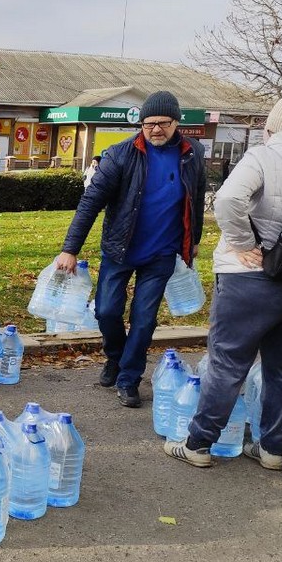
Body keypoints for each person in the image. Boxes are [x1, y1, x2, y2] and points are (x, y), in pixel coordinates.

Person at [165, 91, 282, 470]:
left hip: (248, 279)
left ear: (273, 127)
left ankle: (199, 444)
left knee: (227, 362)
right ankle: (273, 449)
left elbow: (228, 200)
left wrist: (243, 243)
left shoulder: (264, 156)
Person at [55, 90, 206, 408]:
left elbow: (196, 200)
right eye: (148, 123)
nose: (155, 129)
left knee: (144, 319)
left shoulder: (193, 153)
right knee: (107, 311)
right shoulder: (120, 155)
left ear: (176, 122)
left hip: (161, 254)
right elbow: (90, 203)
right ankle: (115, 357)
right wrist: (70, 248)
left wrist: (192, 246)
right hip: (119, 249)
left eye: (163, 123)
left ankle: (129, 378)